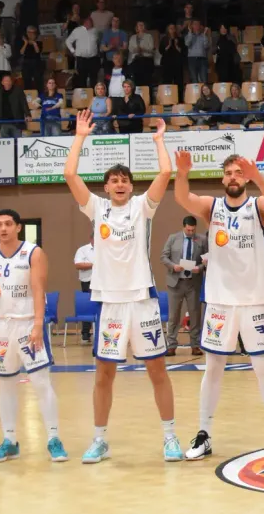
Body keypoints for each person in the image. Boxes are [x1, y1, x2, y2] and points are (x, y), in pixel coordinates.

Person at [63, 111, 179, 463]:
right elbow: (69, 174)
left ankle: (170, 437)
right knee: (104, 376)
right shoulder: (96, 208)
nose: (119, 184)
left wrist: (159, 141)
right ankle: (100, 439)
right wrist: (80, 136)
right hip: (109, 303)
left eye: (124, 179)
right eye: (113, 180)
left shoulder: (143, 207)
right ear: (106, 186)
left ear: (131, 185)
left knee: (157, 371)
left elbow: (165, 173)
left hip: (142, 299)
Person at [171, 153, 264, 461]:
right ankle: (203, 433)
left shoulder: (258, 207)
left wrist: (259, 176)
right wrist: (182, 173)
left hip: (254, 301)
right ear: (223, 179)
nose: (234, 176)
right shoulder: (212, 208)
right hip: (221, 303)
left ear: (246, 178)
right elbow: (183, 198)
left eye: (240, 172)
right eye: (229, 172)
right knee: (212, 370)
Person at [0, 209, 65, 462]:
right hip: (1, 327)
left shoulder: (33, 253)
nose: (3, 228)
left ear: (18, 227)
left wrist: (37, 325)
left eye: (8, 224)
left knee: (41, 382)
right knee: (6, 385)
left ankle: (54, 438)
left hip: (27, 325)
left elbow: (38, 290)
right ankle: (9, 440)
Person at [161, 215, 207, 356]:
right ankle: (171, 345)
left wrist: (199, 268)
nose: (190, 232)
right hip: (176, 282)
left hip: (193, 282)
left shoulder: (202, 240)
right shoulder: (173, 238)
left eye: (193, 230)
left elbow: (207, 259)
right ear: (183, 227)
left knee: (194, 313)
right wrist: (173, 266)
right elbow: (163, 256)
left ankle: (195, 344)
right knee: (173, 315)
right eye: (188, 230)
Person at [74, 235, 94, 344]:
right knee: (87, 307)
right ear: (91, 239)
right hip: (88, 282)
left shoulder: (105, 249)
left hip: (104, 282)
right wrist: (95, 264)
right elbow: (78, 264)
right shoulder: (83, 250)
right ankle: (86, 334)